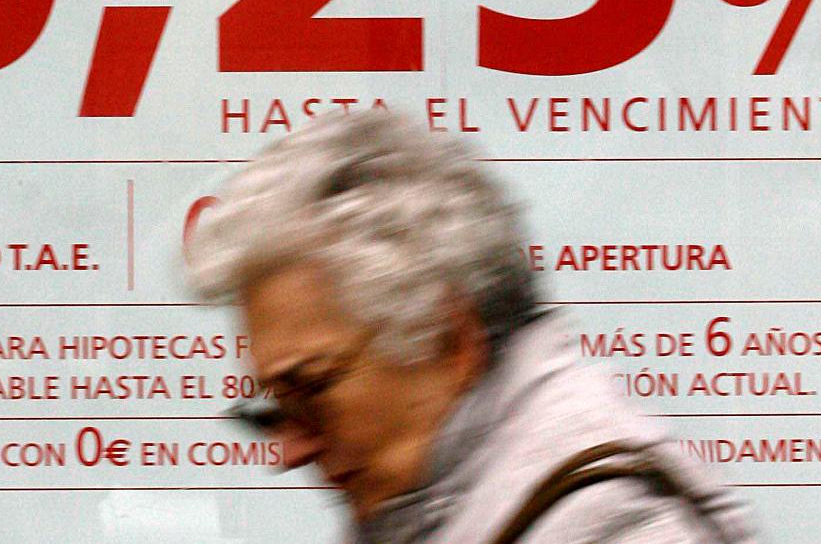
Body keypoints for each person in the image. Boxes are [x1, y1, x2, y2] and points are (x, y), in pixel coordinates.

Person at [186, 109, 756, 544]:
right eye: (271, 411)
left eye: (312, 388)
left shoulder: (610, 524)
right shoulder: (440, 501)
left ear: (449, 339)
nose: (288, 450)